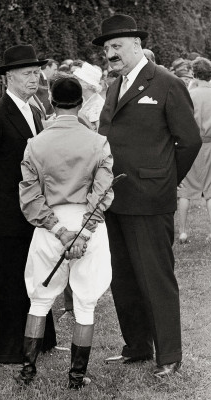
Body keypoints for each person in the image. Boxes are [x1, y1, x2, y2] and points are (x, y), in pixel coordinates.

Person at [92, 14, 202, 377]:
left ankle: (168, 354)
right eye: (107, 47)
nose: (111, 53)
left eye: (117, 45)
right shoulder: (114, 86)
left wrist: (164, 180)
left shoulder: (166, 82)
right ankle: (137, 346)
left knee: (156, 277)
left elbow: (189, 141)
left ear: (137, 45)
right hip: (115, 197)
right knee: (122, 276)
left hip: (150, 199)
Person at [16, 76, 113, 389]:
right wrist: (83, 232)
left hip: (49, 227)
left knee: (39, 301)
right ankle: (76, 377)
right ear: (81, 103)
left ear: (52, 103)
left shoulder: (36, 144)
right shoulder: (97, 142)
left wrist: (59, 230)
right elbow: (103, 192)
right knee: (85, 304)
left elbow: (30, 198)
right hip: (89, 226)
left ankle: (28, 372)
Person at [0, 44, 57, 366]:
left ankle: (42, 341)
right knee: (7, 283)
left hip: (33, 212)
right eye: (27, 74)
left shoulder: (34, 110)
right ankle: (8, 350)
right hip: (5, 215)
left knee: (37, 277)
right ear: (7, 77)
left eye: (36, 73)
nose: (34, 78)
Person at [177, 57, 211, 243]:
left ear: (194, 73)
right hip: (210, 144)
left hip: (193, 145)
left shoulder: (190, 95)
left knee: (185, 190)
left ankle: (182, 231)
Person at [73, 62, 105, 131]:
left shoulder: (98, 105)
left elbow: (100, 133)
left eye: (78, 80)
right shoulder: (82, 99)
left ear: (87, 84)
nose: (75, 83)